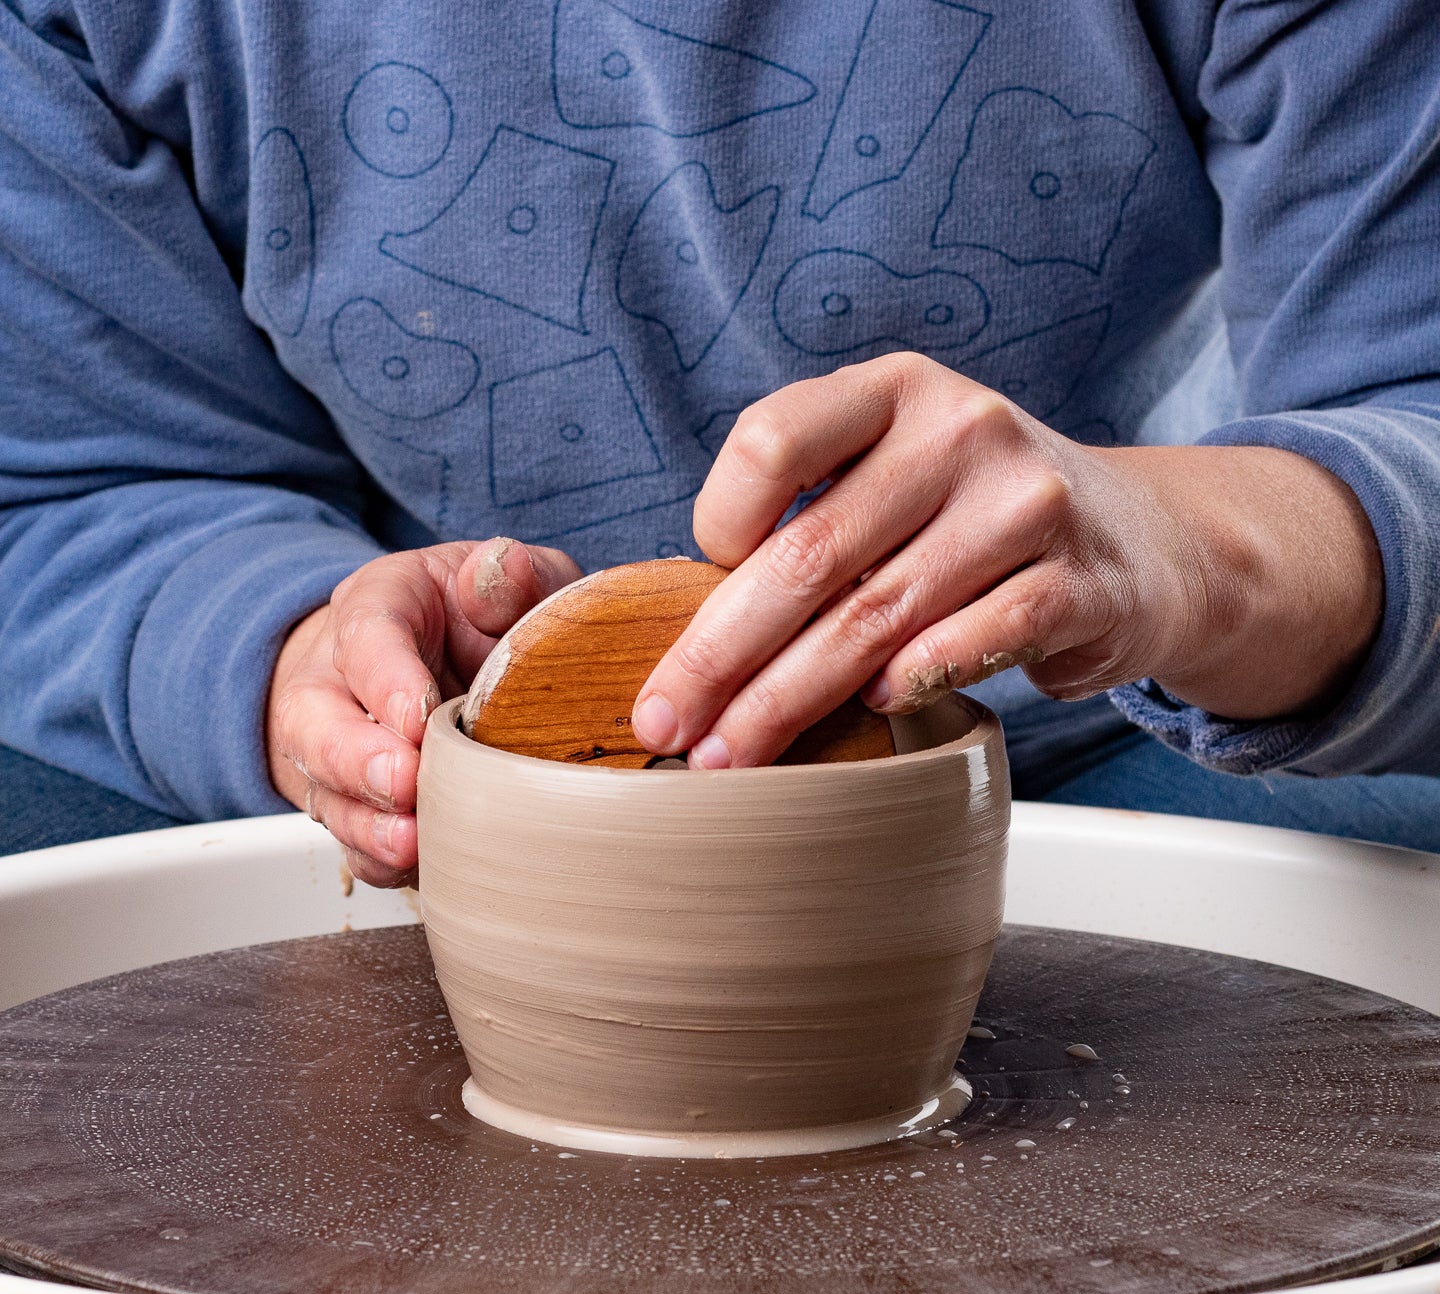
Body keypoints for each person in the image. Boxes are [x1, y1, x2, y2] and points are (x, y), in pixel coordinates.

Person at [3, 0, 1439, 881]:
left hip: (1100, 728)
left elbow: (1411, 417)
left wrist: (1181, 554)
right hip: (443, 786)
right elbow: (71, 488)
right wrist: (288, 658)